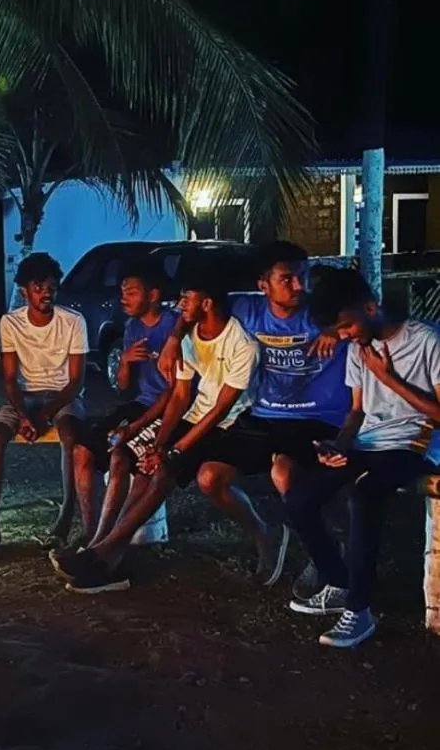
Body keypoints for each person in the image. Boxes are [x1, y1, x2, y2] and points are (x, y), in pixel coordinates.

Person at [52, 267, 285, 593]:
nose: (180, 305)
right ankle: (109, 559)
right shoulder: (189, 337)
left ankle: (102, 553)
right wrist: (159, 445)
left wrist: (175, 451)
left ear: (206, 303)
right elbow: (179, 396)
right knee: (148, 468)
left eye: (187, 299)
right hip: (198, 414)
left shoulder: (242, 345)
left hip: (236, 423)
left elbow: (220, 409)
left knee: (177, 472)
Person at [155, 242, 346, 595]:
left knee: (285, 473)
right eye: (287, 279)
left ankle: (326, 557)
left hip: (317, 417)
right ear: (263, 285)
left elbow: (366, 314)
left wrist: (336, 329)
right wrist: (172, 338)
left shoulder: (325, 311)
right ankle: (267, 534)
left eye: (302, 277)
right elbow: (195, 304)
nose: (299, 286)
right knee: (210, 477)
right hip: (264, 415)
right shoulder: (246, 309)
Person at [283, 268, 440, 648]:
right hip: (368, 443)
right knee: (300, 494)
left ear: (369, 306)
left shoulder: (426, 341)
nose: (344, 336)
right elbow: (357, 410)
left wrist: (388, 378)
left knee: (364, 495)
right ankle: (339, 582)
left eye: (346, 327)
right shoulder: (357, 348)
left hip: (412, 445)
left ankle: (360, 610)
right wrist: (340, 445)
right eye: (338, 332)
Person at [0, 252, 87, 560]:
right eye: (38, 286)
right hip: (25, 395)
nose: (46, 292)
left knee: (70, 433)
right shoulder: (11, 323)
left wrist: (44, 414)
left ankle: (64, 518)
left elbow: (75, 382)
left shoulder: (73, 321)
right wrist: (24, 415)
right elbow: (9, 379)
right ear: (24, 291)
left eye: (51, 286)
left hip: (62, 396)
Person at [73, 262, 179, 543]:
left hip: (169, 411)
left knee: (120, 455)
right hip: (140, 404)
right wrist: (125, 361)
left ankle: (111, 538)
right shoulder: (132, 327)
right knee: (82, 451)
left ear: (153, 295)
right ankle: (92, 530)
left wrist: (133, 428)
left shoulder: (174, 327)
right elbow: (123, 387)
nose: (123, 298)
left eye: (131, 292)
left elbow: (174, 393)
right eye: (122, 292)